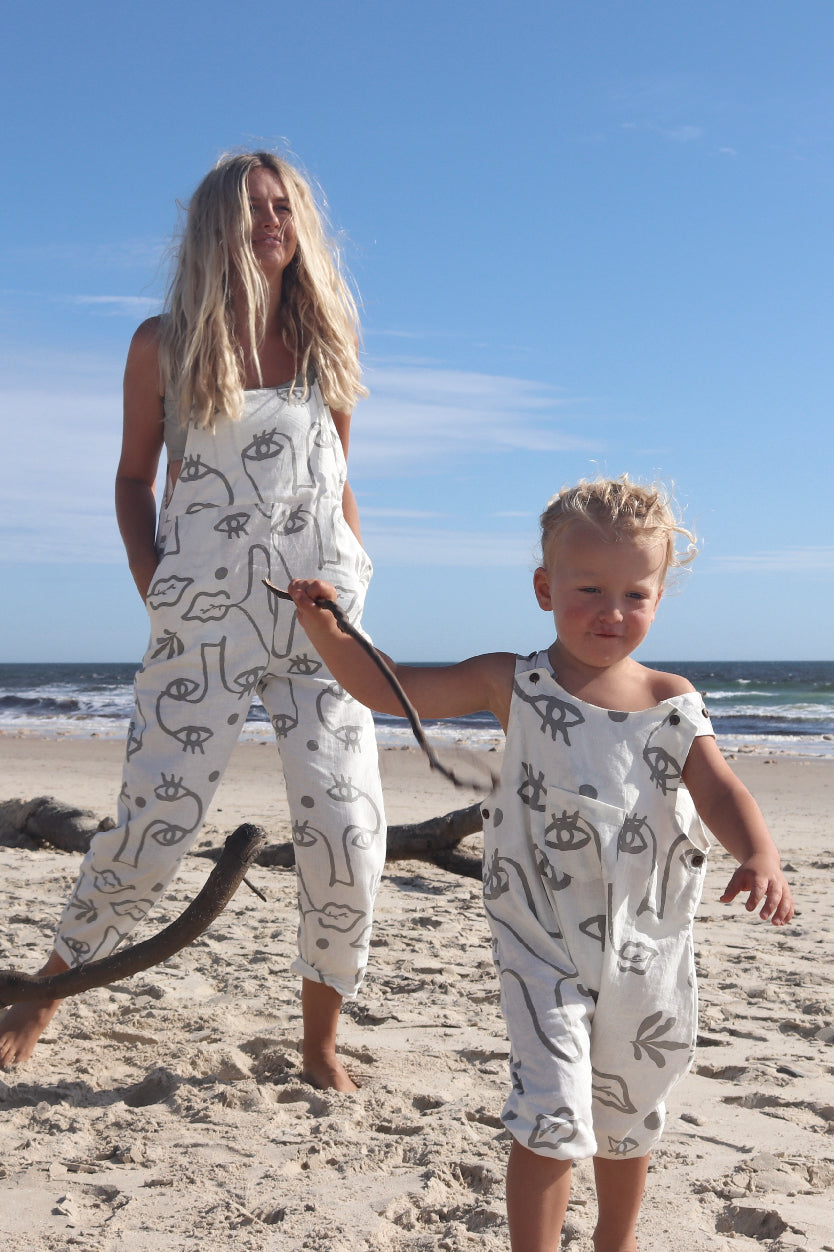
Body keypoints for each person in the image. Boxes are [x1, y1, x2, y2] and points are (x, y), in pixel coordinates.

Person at [286, 475, 794, 1250]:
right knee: (550, 1109)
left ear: (659, 598)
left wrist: (758, 852)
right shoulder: (513, 682)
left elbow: (719, 788)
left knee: (627, 1118)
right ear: (543, 587)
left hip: (646, 949)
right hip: (540, 944)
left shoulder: (671, 699)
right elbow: (394, 691)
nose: (611, 612)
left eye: (635, 594)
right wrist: (330, 632)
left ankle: (613, 1243)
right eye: (589, 588)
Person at [0, 151, 386, 1092]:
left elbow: (337, 480)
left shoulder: (327, 335)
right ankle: (49, 989)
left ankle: (320, 1043)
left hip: (322, 624)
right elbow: (135, 479)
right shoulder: (163, 344)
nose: (273, 221)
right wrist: (153, 579)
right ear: (214, 223)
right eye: (254, 207)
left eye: (286, 206)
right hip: (200, 622)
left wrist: (357, 584)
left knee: (348, 832)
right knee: (153, 827)